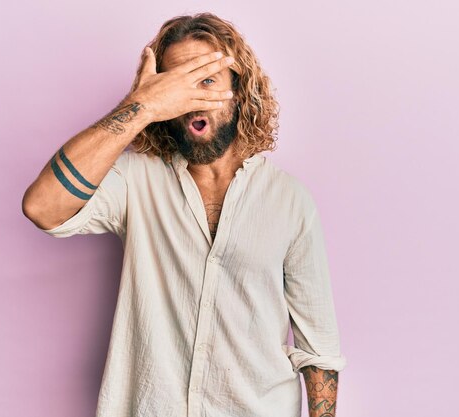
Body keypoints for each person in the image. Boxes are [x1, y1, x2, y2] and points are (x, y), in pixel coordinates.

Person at [22, 12, 347, 417]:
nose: (191, 95)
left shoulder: (290, 202)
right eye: (176, 83)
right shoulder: (134, 179)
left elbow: (320, 350)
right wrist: (142, 105)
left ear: (239, 90)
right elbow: (42, 206)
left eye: (206, 79)